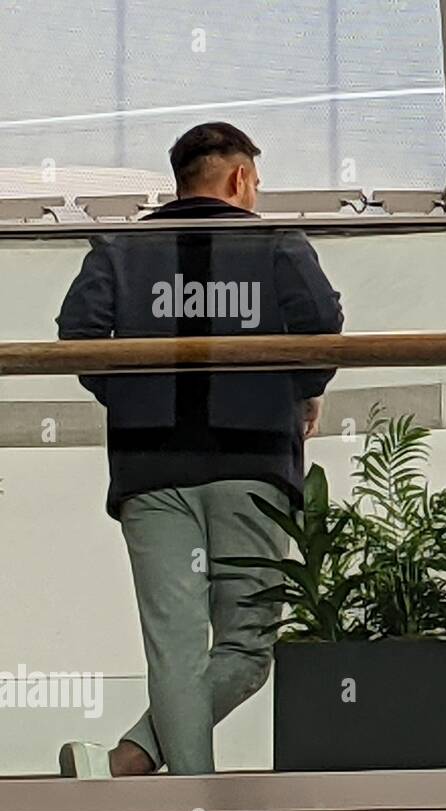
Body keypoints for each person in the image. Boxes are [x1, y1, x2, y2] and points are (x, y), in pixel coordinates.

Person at [55, 122, 344, 777]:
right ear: (241, 178)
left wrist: (135, 398)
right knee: (245, 649)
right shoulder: (274, 241)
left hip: (150, 466)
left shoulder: (122, 246)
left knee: (174, 650)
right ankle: (165, 788)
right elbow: (323, 327)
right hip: (253, 465)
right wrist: (297, 392)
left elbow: (77, 335)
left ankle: (140, 777)